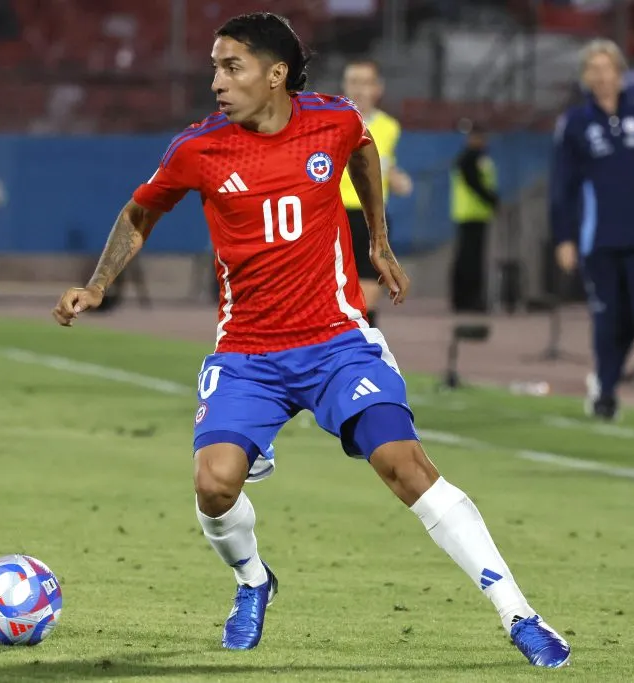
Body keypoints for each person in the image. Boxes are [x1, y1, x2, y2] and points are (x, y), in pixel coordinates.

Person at [52, 12, 570, 667]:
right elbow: (140, 211)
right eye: (214, 66)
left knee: (404, 464)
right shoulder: (198, 149)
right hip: (247, 354)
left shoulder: (334, 119)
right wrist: (97, 286)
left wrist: (377, 239)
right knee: (213, 485)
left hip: (336, 344)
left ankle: (519, 613)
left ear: (275, 75)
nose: (216, 80)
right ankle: (253, 581)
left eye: (231, 66)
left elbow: (363, 150)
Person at [549, 39, 634, 420]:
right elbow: (562, 186)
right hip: (598, 238)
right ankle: (607, 391)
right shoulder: (575, 123)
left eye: (607, 67)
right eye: (593, 68)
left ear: (620, 72)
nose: (601, 75)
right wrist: (564, 237)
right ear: (585, 77)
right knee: (607, 315)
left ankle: (606, 378)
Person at [338, 58, 413, 328]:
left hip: (372, 218)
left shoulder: (389, 127)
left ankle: (365, 349)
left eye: (365, 83)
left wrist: (395, 178)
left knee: (368, 291)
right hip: (334, 215)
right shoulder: (331, 123)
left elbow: (382, 163)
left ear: (377, 88)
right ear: (344, 86)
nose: (359, 89)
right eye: (353, 82)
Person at [449, 120, 500, 313]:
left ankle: (465, 299)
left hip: (476, 214)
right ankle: (468, 300)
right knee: (470, 260)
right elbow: (475, 184)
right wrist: (492, 199)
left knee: (469, 258)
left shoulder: (476, 157)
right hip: (470, 214)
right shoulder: (469, 158)